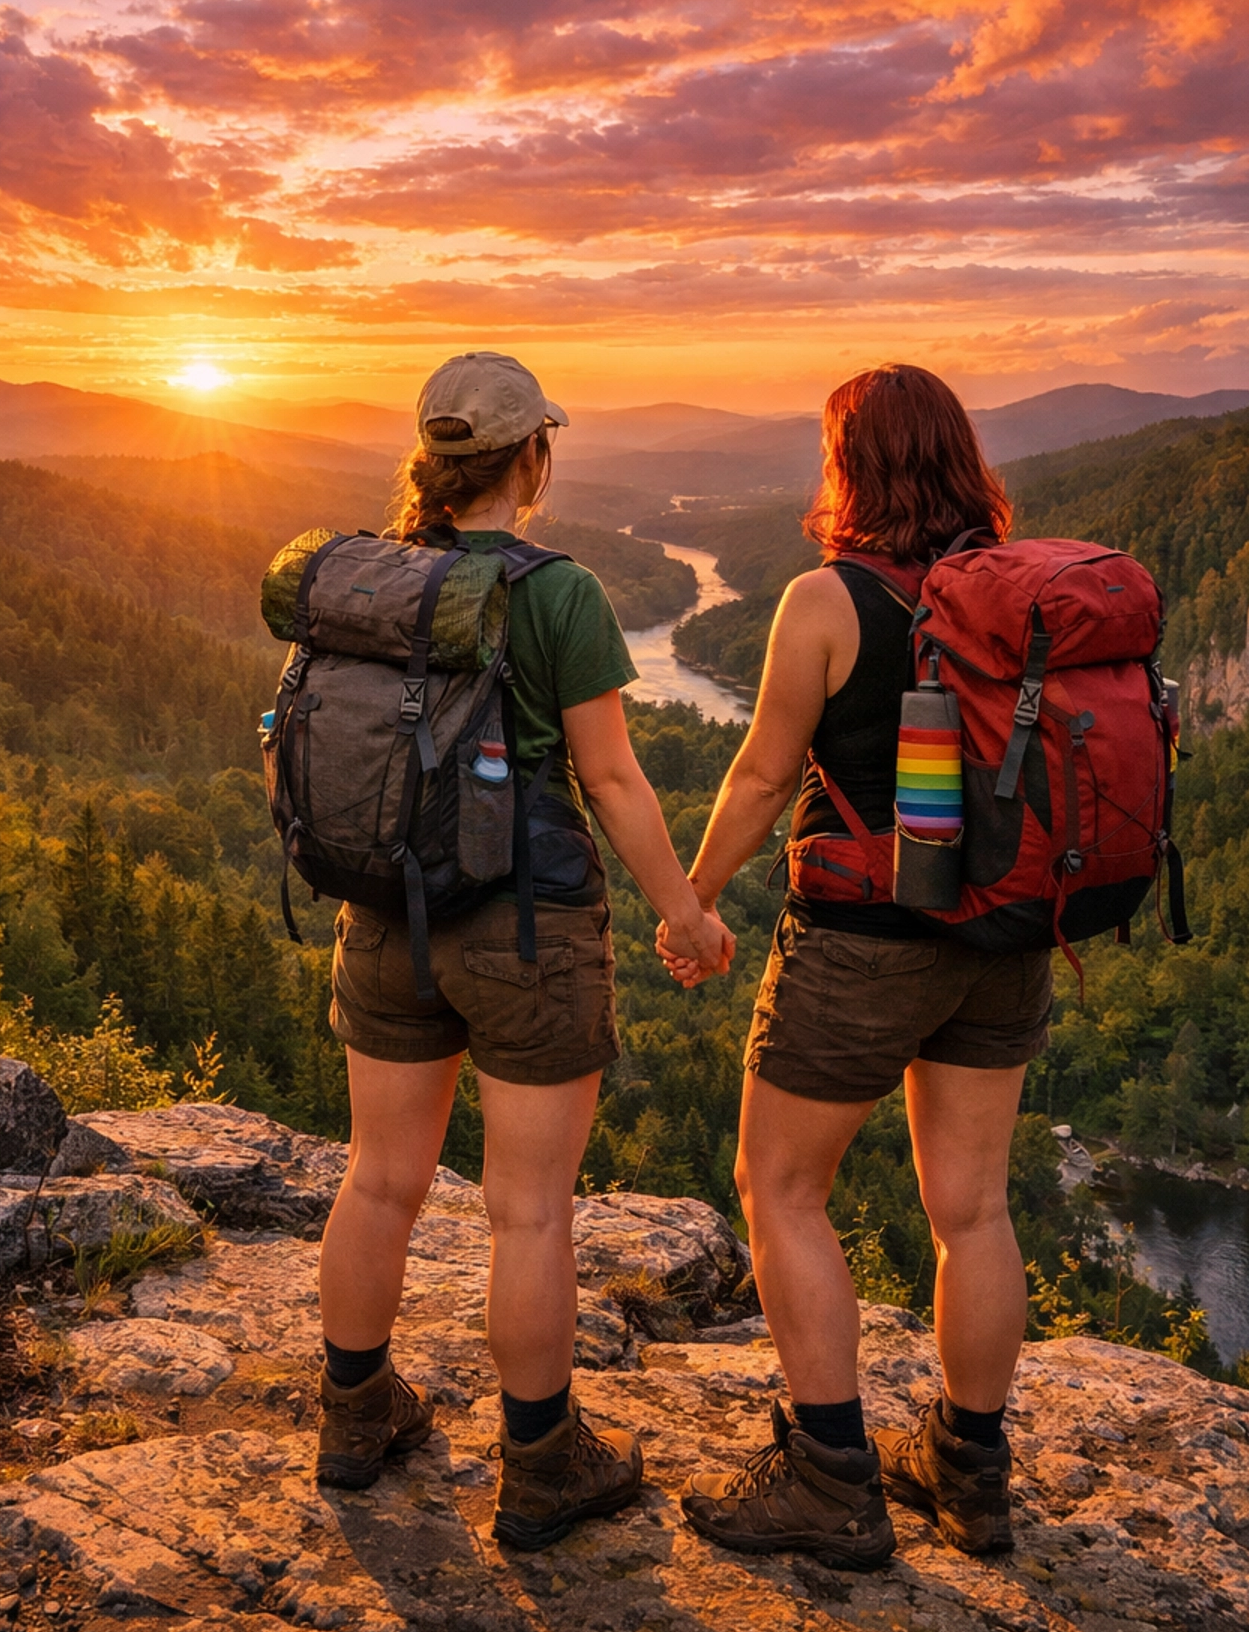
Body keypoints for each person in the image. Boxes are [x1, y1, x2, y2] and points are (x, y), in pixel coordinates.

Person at [316, 349, 734, 1548]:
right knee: (530, 1213)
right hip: (530, 930)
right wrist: (686, 916)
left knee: (378, 1179)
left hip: (390, 917)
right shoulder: (558, 593)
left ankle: (355, 1418)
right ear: (533, 456)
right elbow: (612, 777)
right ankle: (542, 1467)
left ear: (436, 462)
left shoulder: (378, 580)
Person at [663, 364, 1039, 1568]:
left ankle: (832, 1479)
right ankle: (971, 1476)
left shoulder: (829, 599)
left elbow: (768, 775)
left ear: (850, 464)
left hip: (867, 942)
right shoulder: (1023, 595)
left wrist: (695, 899)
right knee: (972, 1208)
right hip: (1006, 938)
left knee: (780, 1190)